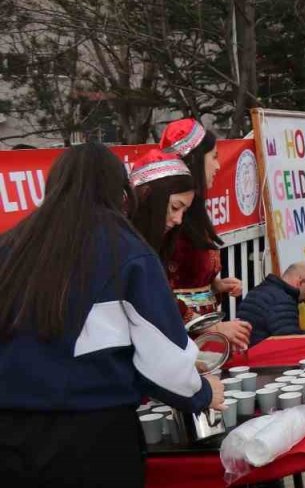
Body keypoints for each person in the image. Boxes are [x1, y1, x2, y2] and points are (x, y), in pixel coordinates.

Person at [0, 143, 223, 486]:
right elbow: (165, 361)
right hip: (90, 437)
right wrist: (203, 392)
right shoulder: (126, 250)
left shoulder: (11, 245)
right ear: (120, 191)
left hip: (10, 436)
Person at [160, 119, 251, 350]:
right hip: (181, 344)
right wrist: (214, 328)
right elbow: (160, 293)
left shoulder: (195, 212)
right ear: (195, 161)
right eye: (214, 157)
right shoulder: (168, 220)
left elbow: (186, 279)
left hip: (203, 340)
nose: (218, 166)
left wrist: (214, 287)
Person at [237, 263, 305, 346]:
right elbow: (291, 342)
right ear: (300, 282)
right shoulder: (283, 300)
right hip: (262, 355)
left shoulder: (258, 290)